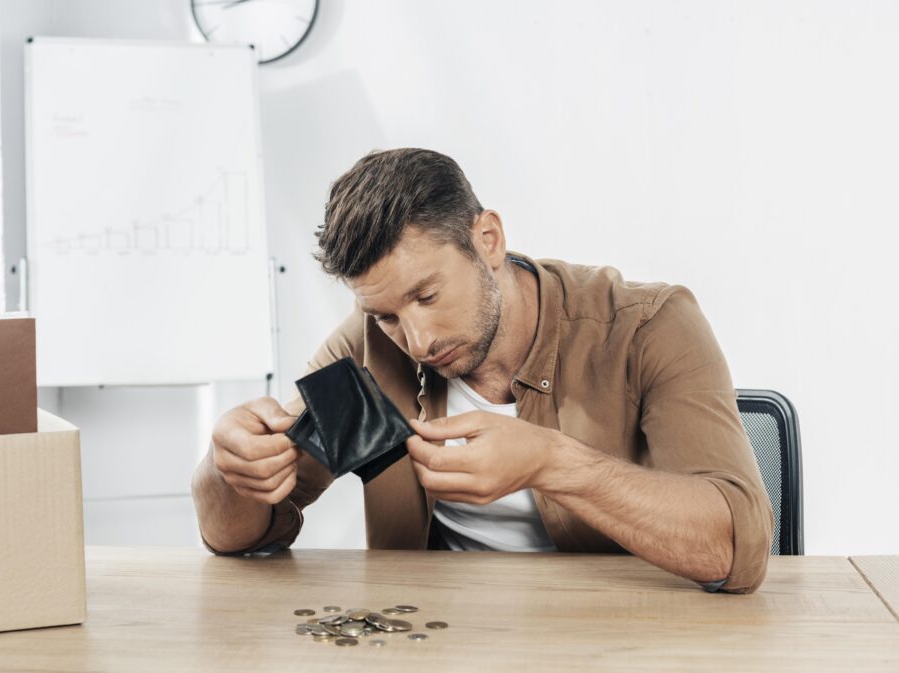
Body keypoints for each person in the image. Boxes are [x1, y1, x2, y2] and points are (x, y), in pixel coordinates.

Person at [191, 148, 773, 594]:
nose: (415, 340)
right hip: (442, 642)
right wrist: (229, 470)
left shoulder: (647, 326)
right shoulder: (368, 348)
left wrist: (552, 463)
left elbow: (737, 547)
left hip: (626, 639)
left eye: (427, 294)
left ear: (487, 240)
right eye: (386, 314)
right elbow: (246, 535)